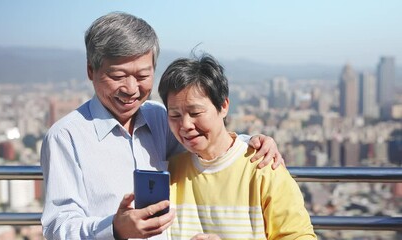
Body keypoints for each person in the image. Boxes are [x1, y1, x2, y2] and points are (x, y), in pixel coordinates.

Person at [40, 12, 284, 240]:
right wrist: (114, 228)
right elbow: (57, 226)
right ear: (91, 71)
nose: (131, 89)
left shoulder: (159, 117)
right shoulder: (66, 136)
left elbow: (201, 142)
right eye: (117, 76)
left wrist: (251, 142)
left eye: (143, 76)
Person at [158, 53, 316, 239]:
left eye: (195, 112)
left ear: (223, 106)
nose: (185, 125)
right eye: (175, 115)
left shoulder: (263, 166)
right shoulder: (170, 173)